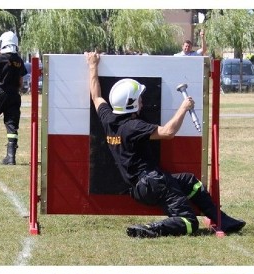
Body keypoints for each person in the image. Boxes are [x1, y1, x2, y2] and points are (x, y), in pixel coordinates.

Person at [85, 52, 245, 238]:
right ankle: (152, 228)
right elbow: (168, 132)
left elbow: (96, 96)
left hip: (142, 187)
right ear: (132, 104)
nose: (142, 101)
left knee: (189, 182)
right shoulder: (134, 127)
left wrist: (92, 66)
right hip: (154, 183)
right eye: (139, 98)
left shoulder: (108, 119)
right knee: (189, 222)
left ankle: (221, 219)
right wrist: (183, 108)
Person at [0, 31, 27, 166]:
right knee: (11, 124)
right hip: (14, 94)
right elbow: (21, 82)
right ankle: (10, 157)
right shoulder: (19, 60)